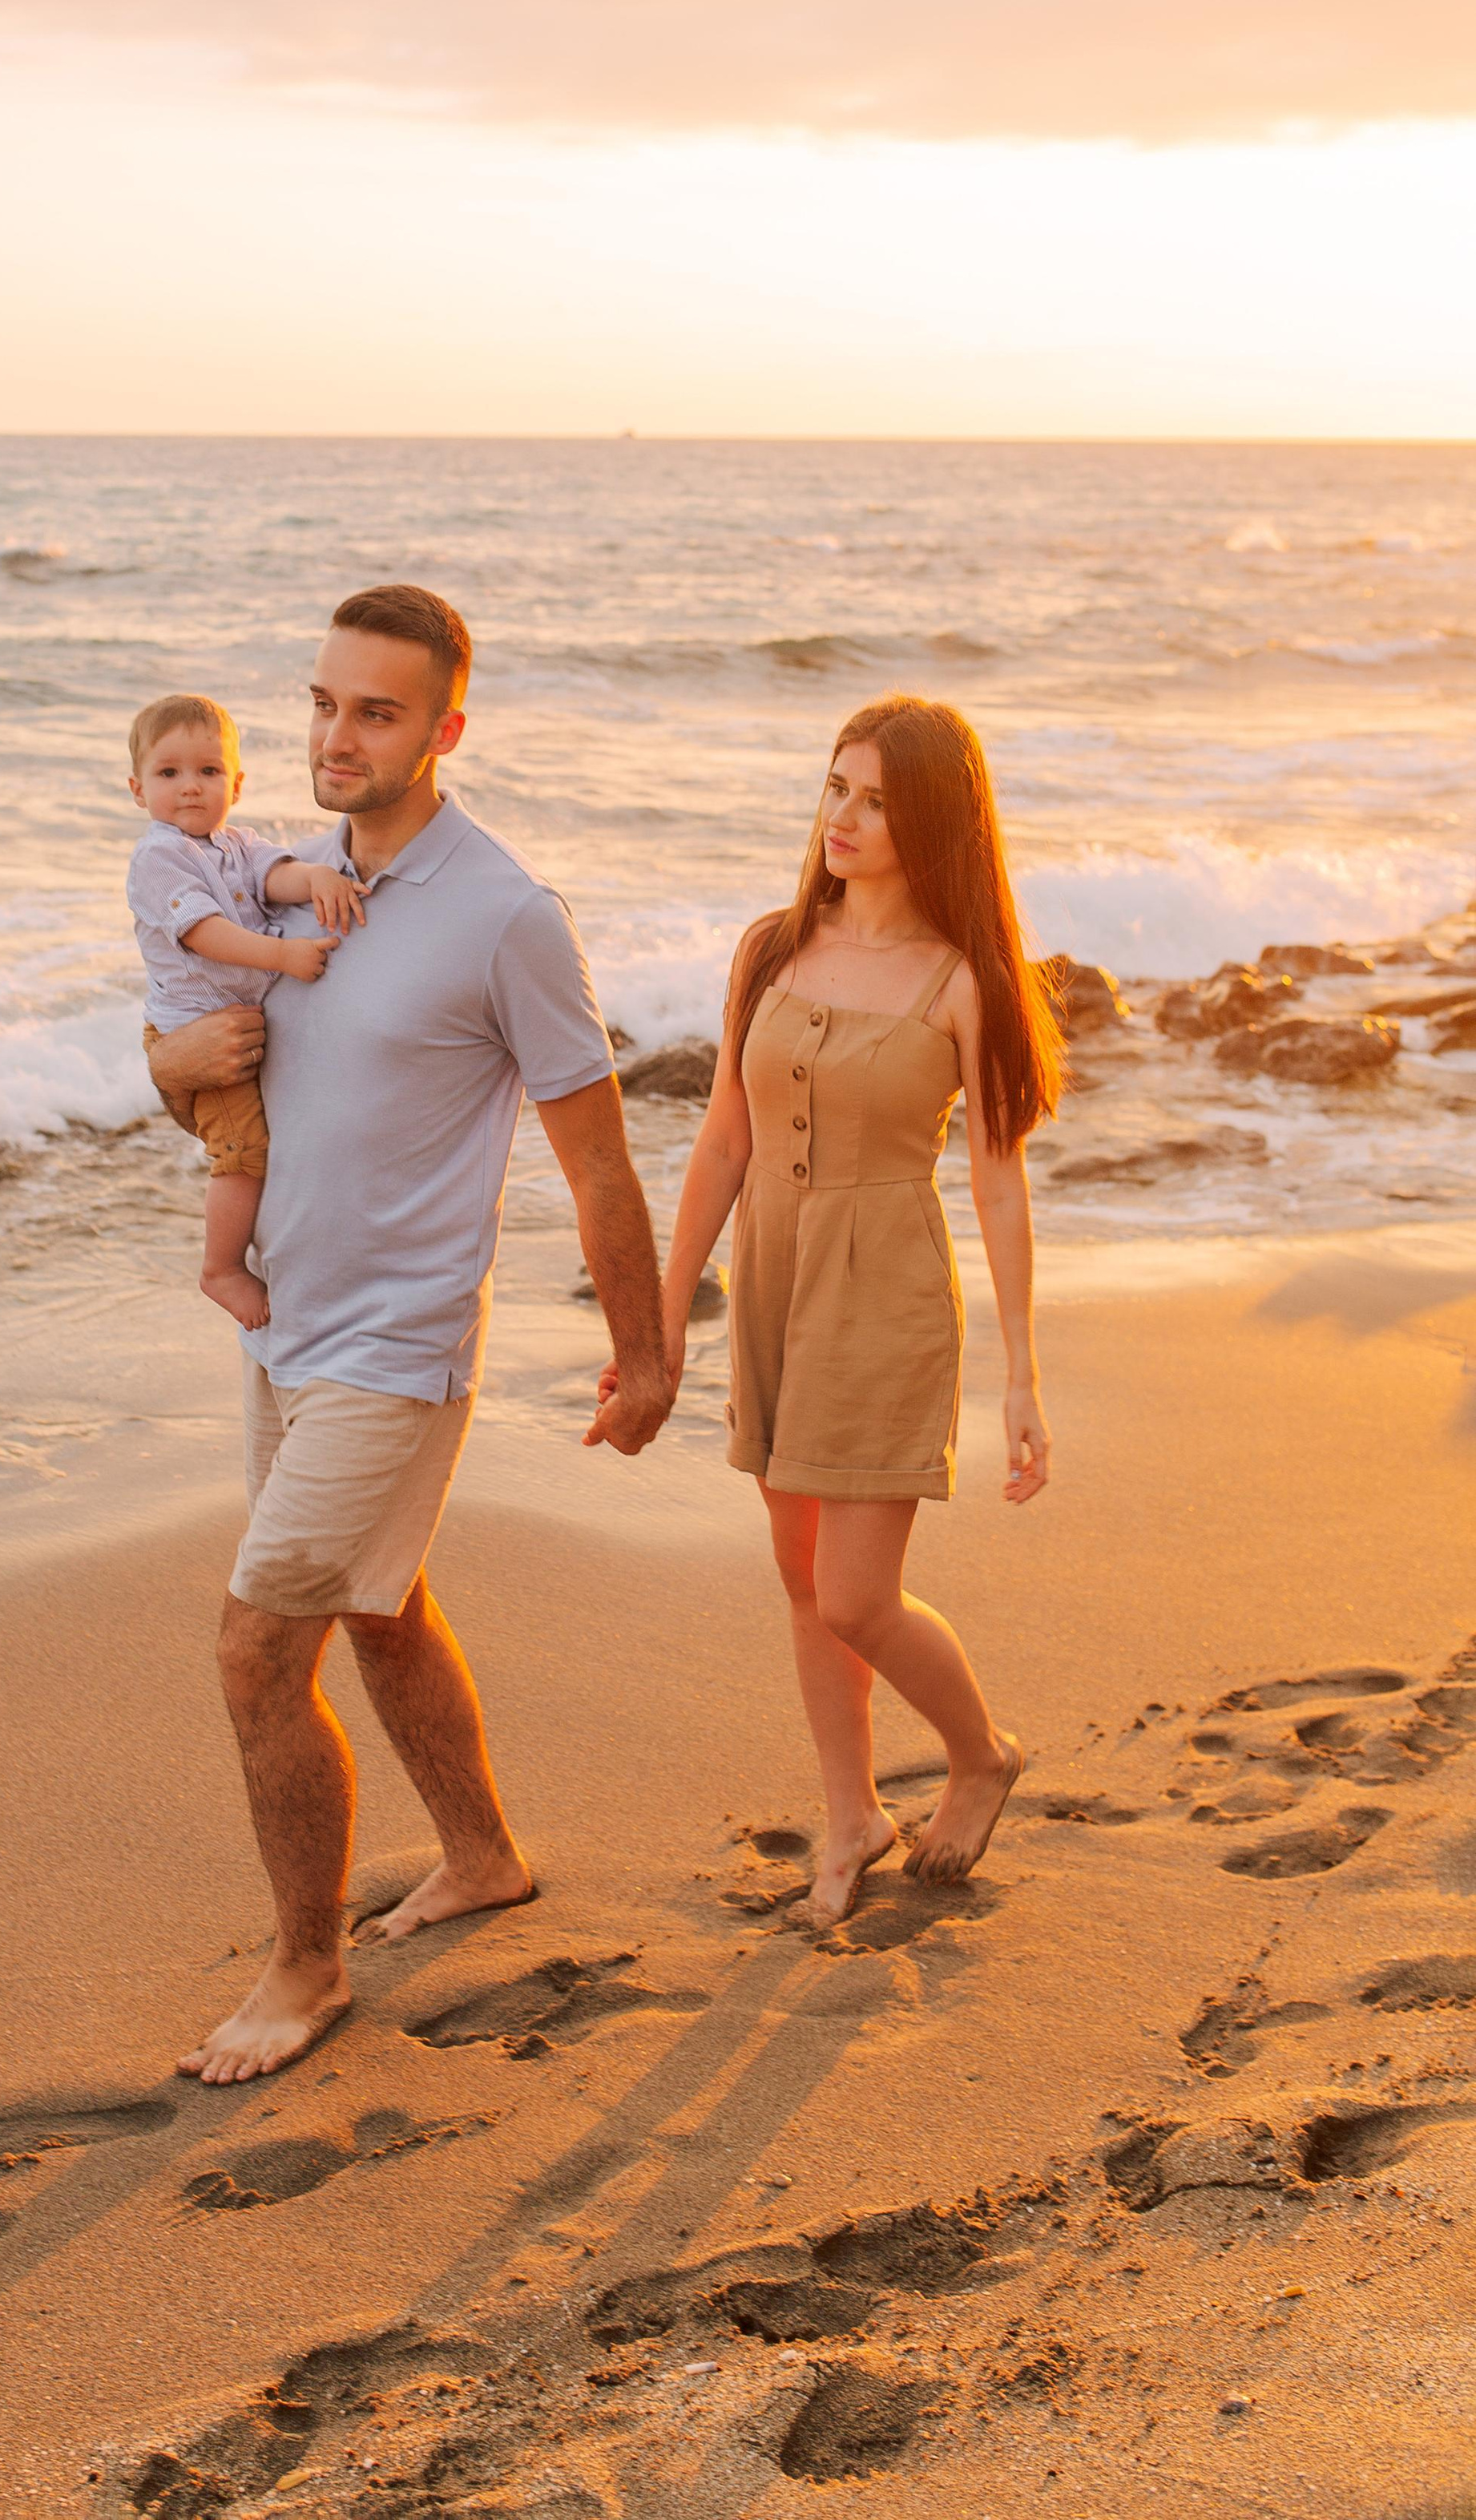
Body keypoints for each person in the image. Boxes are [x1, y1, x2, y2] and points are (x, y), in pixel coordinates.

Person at [145, 584, 673, 2083]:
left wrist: (647, 1356)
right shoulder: (278, 882)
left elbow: (599, 1160)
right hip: (286, 1331)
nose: (335, 734)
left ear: (445, 729)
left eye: (375, 711)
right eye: (320, 703)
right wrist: (166, 1066)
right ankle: (484, 1856)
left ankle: (304, 1969)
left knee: (260, 1650)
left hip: (398, 1344)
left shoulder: (506, 916)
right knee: (381, 1606)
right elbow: (218, 1081)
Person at [647, 694, 1061, 1932]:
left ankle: (978, 1752)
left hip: (884, 1294)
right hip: (773, 1279)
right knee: (795, 1571)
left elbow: (997, 1175)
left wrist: (1025, 1374)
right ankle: (850, 1814)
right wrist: (661, 1326)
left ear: (932, 818)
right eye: (836, 787)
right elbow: (723, 1143)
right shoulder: (770, 948)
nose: (845, 817)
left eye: (877, 799)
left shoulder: (963, 978)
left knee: (854, 1596)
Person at [125, 692, 366, 1329]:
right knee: (243, 1153)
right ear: (137, 788)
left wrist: (314, 879)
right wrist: (281, 958)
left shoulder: (237, 844)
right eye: (168, 773)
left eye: (209, 772)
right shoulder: (158, 857)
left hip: (234, 1026)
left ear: (236, 782)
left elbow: (273, 876)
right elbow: (204, 932)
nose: (190, 789)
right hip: (195, 1032)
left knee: (268, 1144)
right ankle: (221, 1268)